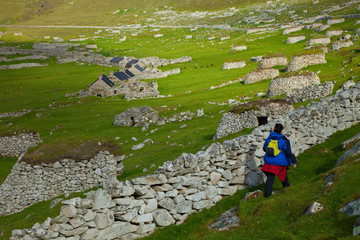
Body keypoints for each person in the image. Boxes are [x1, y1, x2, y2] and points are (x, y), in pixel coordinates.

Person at [261, 123, 297, 198]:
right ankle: (285, 188)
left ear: (274, 129)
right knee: (280, 174)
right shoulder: (284, 140)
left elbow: (264, 149)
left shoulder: (269, 138)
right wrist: (294, 160)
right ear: (281, 130)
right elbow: (288, 152)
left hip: (268, 161)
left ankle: (269, 194)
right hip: (279, 162)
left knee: (272, 176)